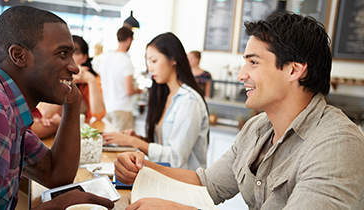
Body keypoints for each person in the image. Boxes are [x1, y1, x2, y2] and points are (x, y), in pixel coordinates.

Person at [114, 12, 364, 210]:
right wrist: (143, 166)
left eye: (253, 62)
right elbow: (209, 183)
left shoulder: (337, 144)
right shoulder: (259, 128)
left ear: (294, 70)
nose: (242, 74)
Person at [0, 5, 114, 210]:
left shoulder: (8, 107)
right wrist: (54, 206)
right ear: (19, 55)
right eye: (63, 54)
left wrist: (73, 103)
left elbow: (56, 174)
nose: (74, 67)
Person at [103, 32, 209, 170]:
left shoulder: (189, 101)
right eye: (148, 62)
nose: (150, 67)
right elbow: (164, 145)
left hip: (184, 186)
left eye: (154, 61)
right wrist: (140, 139)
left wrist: (134, 142)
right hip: (164, 180)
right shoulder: (165, 96)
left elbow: (175, 159)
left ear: (173, 59)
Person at [38, 35, 106, 131]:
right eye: (65, 53)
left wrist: (91, 81)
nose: (70, 57)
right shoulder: (52, 76)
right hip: (57, 132)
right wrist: (68, 80)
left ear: (84, 58)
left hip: (83, 133)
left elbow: (99, 115)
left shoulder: (91, 78)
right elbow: (45, 113)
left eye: (75, 53)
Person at [97, 26, 142, 132]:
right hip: (122, 109)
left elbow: (99, 78)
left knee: (109, 144)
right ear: (129, 40)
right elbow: (128, 90)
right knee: (121, 145)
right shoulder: (126, 61)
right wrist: (138, 90)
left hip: (107, 108)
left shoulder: (106, 58)